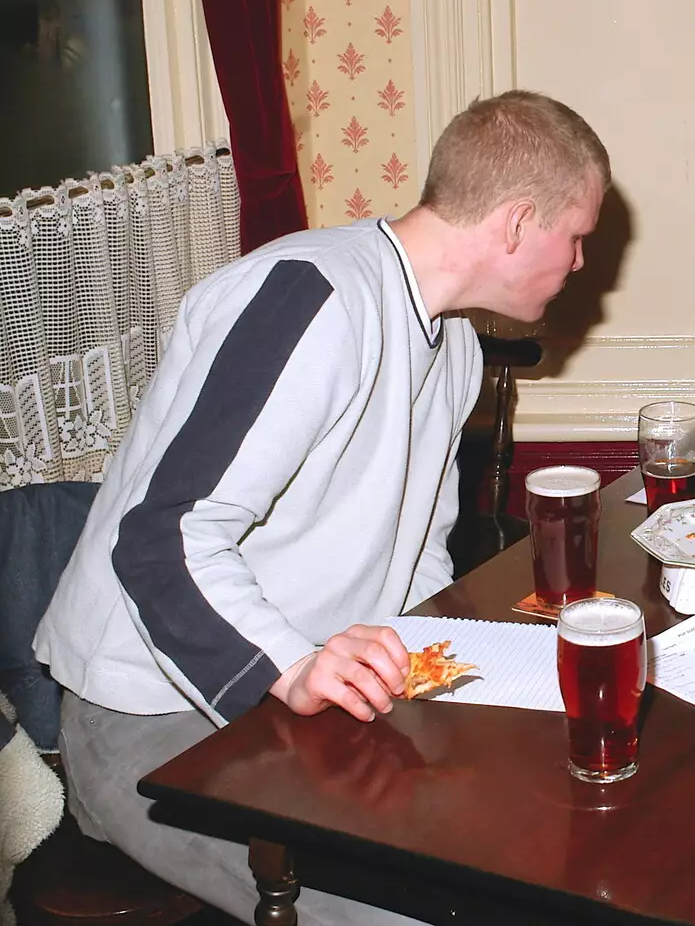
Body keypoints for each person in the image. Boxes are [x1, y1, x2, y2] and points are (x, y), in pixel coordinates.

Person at [33, 91, 610, 925]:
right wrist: (294, 667)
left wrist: (459, 677)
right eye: (578, 235)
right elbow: (159, 542)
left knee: (524, 844)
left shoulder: (450, 344)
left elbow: (418, 558)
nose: (582, 261)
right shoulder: (306, 298)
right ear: (519, 222)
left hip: (306, 713)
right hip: (153, 722)